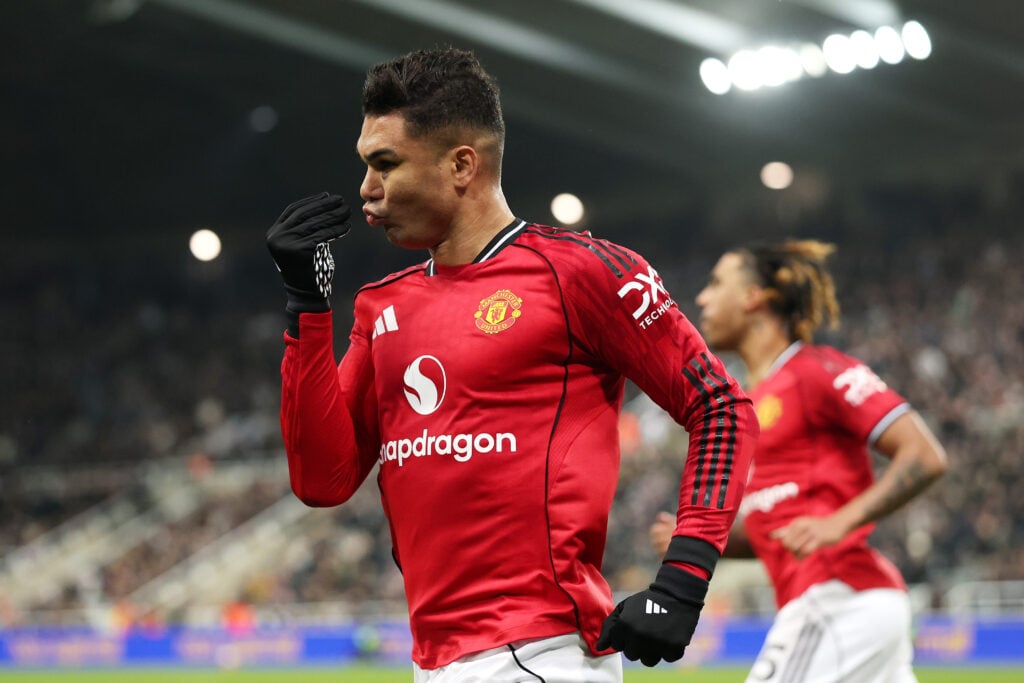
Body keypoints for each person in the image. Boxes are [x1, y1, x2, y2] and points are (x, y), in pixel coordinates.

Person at [266, 46, 758, 682]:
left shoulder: (582, 272)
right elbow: (323, 480)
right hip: (435, 661)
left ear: (462, 165)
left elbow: (719, 406)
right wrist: (307, 307)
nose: (366, 189)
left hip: (538, 654)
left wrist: (684, 579)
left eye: (385, 164)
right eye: (365, 165)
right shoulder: (379, 306)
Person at [651, 240, 947, 682]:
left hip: (841, 597)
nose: (702, 297)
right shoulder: (744, 404)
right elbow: (777, 528)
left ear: (754, 297)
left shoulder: (815, 371)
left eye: (716, 283)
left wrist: (839, 521)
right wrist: (704, 543)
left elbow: (924, 455)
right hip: (845, 605)